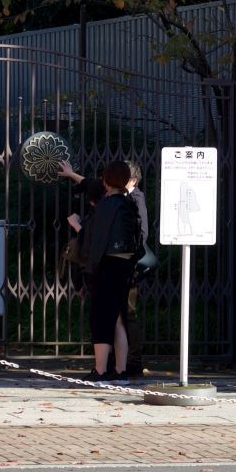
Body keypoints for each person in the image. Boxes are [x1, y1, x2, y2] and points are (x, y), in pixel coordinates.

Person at [61, 157, 151, 378]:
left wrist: (89, 270)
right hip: (126, 265)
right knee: (119, 317)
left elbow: (94, 241)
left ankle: (101, 370)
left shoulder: (106, 206)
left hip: (106, 266)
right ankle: (120, 370)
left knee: (101, 318)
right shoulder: (132, 202)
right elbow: (140, 238)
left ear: (106, 180)